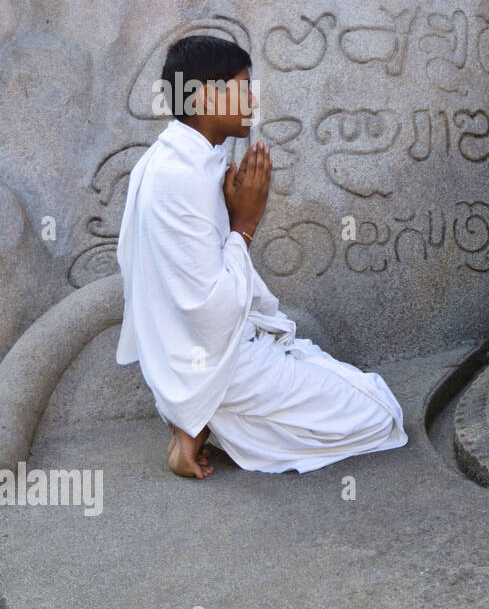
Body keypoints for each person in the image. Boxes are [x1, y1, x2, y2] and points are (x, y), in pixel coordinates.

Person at [115, 34, 407, 478]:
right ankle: (202, 415)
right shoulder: (181, 177)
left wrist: (234, 220)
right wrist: (245, 222)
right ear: (207, 97)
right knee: (380, 414)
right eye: (244, 87)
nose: (253, 100)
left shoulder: (177, 159)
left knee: (345, 380)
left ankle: (197, 422)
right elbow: (210, 311)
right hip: (221, 364)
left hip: (211, 354)